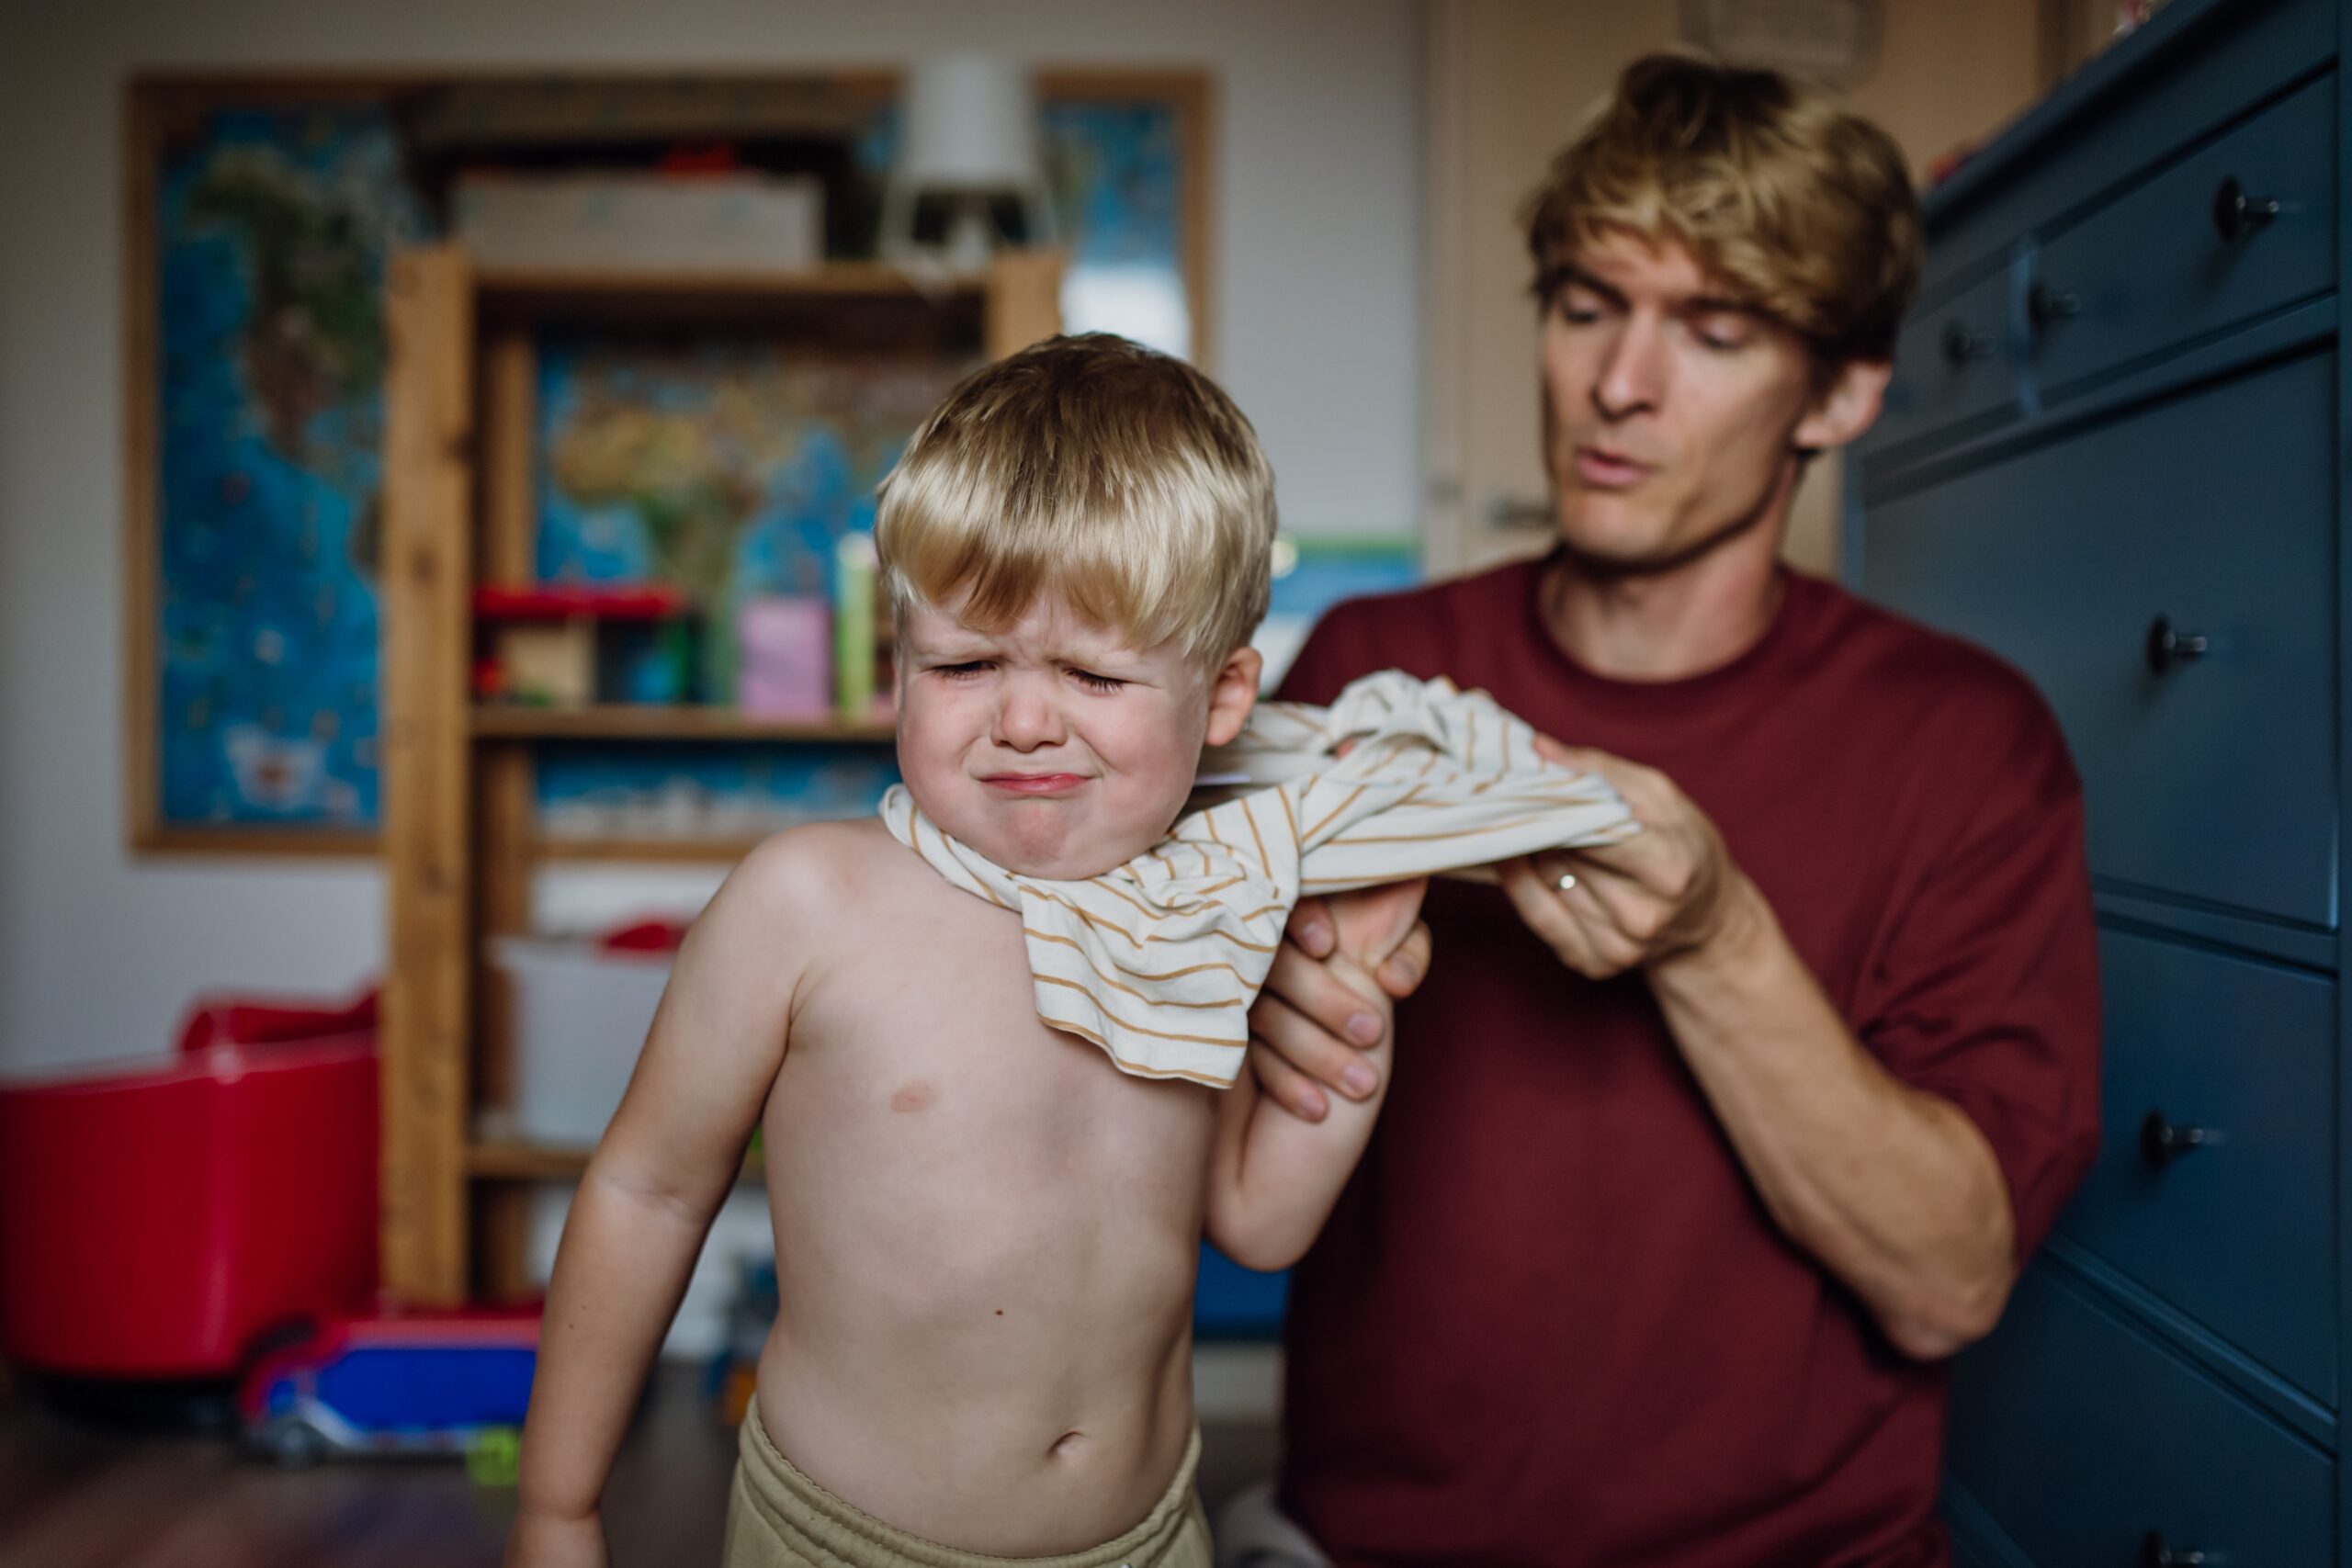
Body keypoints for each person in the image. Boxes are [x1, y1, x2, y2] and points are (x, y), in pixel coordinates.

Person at [1238, 55, 2104, 1567]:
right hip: (1365, 1542)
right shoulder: (1379, 666)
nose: (1617, 385)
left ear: (1840, 392)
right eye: (1585, 305)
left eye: (1714, 332)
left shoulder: (1969, 744)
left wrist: (1714, 940)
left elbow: (1952, 1282)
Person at [504, 333, 1460, 1568]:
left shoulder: (1206, 912)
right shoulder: (806, 906)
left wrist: (1357, 1022)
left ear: (1224, 698)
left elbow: (1255, 1222)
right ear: (898, 656)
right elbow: (648, 1190)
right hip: (846, 1546)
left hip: (1147, 1538)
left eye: (1092, 673)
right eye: (961, 663)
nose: (1020, 719)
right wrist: (556, 1506)